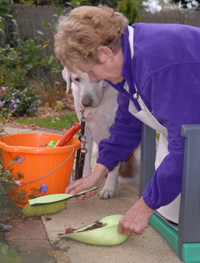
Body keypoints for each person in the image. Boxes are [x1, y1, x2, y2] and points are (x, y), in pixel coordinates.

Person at [54, 5, 200, 236]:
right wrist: (99, 170)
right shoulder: (129, 58)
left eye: (91, 72)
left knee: (189, 220)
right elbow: (127, 119)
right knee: (175, 216)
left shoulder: (159, 66)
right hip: (188, 134)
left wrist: (144, 206)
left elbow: (190, 146)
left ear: (105, 53)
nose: (93, 79)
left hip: (192, 138)